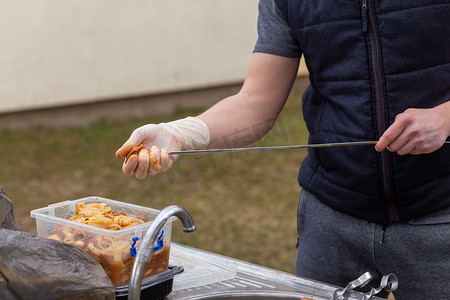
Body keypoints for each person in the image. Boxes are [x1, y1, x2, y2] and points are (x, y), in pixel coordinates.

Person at [116, 1, 450, 299]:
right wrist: (179, 133)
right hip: (331, 221)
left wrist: (444, 117)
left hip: (439, 216)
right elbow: (257, 102)